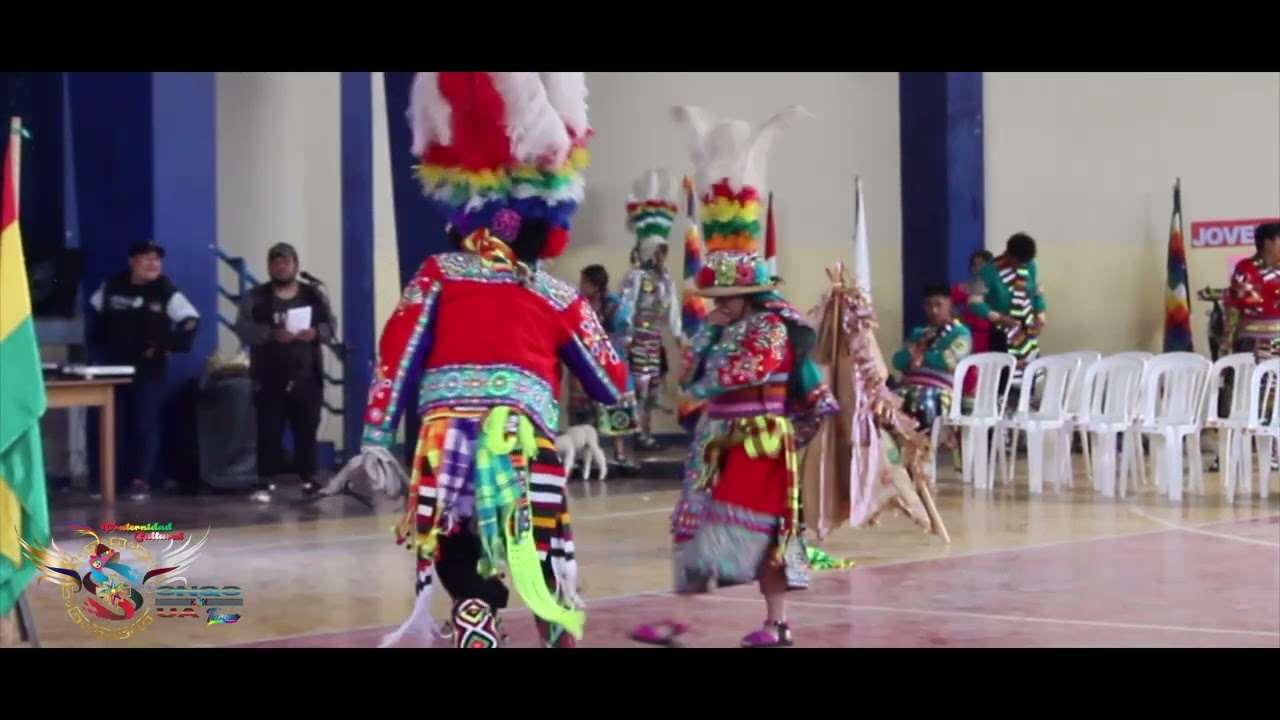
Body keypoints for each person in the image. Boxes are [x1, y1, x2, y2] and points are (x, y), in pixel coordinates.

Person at [324, 72, 629, 649]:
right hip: (522, 441)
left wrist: (376, 437)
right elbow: (611, 379)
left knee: (459, 548)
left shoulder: (438, 276)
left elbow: (396, 356)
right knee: (540, 548)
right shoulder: (557, 295)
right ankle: (554, 635)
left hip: (448, 441)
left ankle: (475, 623)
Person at [629, 103, 838, 648]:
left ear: (747, 294)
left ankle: (777, 623)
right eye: (716, 296)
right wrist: (706, 340)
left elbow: (731, 376)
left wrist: (707, 372)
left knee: (761, 533)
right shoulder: (722, 326)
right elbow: (692, 374)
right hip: (717, 439)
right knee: (692, 524)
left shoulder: (770, 327)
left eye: (725, 296)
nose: (717, 303)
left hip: (757, 442)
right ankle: (679, 621)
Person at [87, 240, 200, 501]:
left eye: (156, 259)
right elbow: (94, 317)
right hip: (112, 368)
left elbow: (191, 320)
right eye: (146, 258)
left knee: (144, 424)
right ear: (132, 261)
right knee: (111, 425)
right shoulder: (112, 286)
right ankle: (107, 481)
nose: (152, 264)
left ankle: (141, 480)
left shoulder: (165, 290)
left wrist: (166, 345)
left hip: (148, 370)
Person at [233, 242, 338, 503]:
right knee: (268, 429)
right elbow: (242, 328)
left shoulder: (313, 294)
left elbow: (330, 325)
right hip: (268, 375)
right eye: (275, 263)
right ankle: (265, 480)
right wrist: (270, 334)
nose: (281, 267)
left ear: (295, 265)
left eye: (285, 262)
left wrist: (315, 333)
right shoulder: (256, 297)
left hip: (307, 375)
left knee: (306, 429)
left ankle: (309, 478)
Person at [619, 169, 683, 451]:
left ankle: (646, 433)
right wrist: (626, 338)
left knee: (653, 392)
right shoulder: (636, 278)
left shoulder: (666, 280)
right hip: (637, 344)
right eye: (660, 250)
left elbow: (673, 311)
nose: (663, 256)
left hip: (655, 344)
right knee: (638, 391)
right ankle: (634, 434)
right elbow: (625, 309)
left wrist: (680, 337)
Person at [1220, 222, 1280, 471]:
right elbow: (1244, 301)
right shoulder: (1246, 269)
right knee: (1261, 396)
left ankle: (1276, 448)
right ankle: (1263, 450)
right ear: (1267, 243)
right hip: (1256, 342)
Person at [568, 264, 639, 468]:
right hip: (584, 362)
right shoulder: (579, 305)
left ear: (596, 285)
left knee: (616, 404)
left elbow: (627, 335)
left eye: (584, 282)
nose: (581, 286)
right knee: (582, 409)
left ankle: (619, 454)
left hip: (610, 361)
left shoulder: (615, 306)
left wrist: (605, 343)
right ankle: (582, 455)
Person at [968, 232, 1046, 411]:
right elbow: (974, 302)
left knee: (1028, 378)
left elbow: (1036, 291)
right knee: (1004, 382)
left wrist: (1040, 312)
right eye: (1020, 262)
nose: (1023, 265)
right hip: (1001, 333)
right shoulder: (988, 271)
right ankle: (1002, 418)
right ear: (1009, 255)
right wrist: (999, 318)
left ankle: (1025, 415)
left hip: (1025, 333)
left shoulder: (1029, 266)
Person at [893, 283, 973, 432]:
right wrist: (921, 344)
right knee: (884, 405)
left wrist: (921, 353)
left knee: (922, 404)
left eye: (938, 305)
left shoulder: (960, 333)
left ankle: (923, 444)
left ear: (949, 304)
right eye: (929, 305)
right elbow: (898, 361)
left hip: (939, 392)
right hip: (907, 389)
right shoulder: (918, 333)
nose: (934, 311)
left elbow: (949, 362)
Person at [952, 249, 994, 413]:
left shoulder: (996, 290)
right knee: (969, 371)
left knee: (988, 372)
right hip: (969, 337)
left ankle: (989, 407)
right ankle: (967, 409)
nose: (978, 269)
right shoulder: (963, 288)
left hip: (990, 337)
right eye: (974, 265)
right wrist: (959, 318)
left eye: (982, 265)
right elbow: (948, 307)